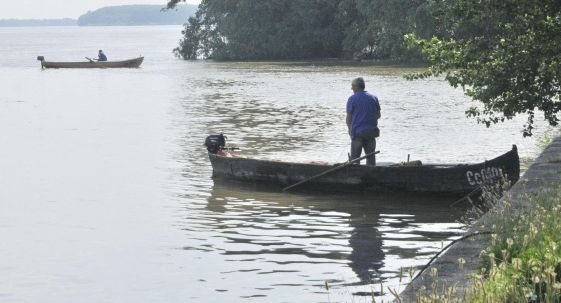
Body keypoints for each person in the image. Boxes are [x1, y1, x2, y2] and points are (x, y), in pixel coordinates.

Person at [346, 77, 381, 165]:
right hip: (371, 132)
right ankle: (371, 176)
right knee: (371, 158)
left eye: (352, 86)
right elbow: (378, 115)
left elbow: (348, 119)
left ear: (356, 87)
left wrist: (350, 130)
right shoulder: (374, 97)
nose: (351, 88)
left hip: (357, 133)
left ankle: (355, 177)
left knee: (354, 160)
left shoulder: (352, 99)